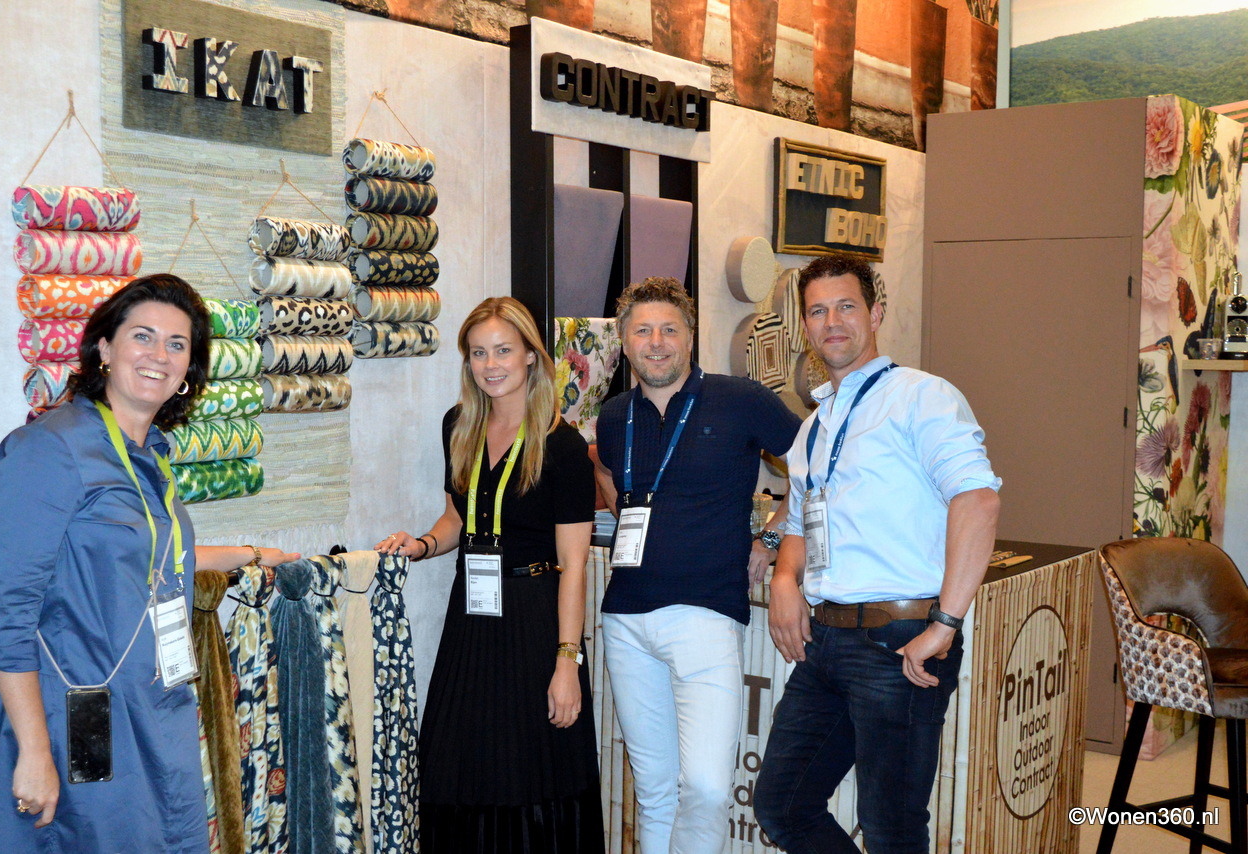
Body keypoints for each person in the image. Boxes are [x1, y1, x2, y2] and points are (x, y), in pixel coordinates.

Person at [0, 274, 299, 852]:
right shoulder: (51, 448)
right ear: (104, 347)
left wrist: (251, 554)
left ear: (189, 369)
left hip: (152, 713)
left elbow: (150, 558)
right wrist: (34, 751)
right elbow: (6, 613)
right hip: (77, 717)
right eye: (142, 336)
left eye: (177, 344)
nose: (159, 356)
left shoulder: (151, 455)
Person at [753, 255, 1002, 854]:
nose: (832, 322)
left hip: (900, 640)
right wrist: (784, 579)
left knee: (891, 828)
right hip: (825, 642)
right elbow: (800, 518)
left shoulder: (921, 396)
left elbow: (978, 500)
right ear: (805, 328)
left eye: (846, 306)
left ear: (876, 314)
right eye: (818, 311)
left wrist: (945, 623)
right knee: (782, 806)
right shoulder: (814, 427)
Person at [376, 296, 602, 852]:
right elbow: (459, 517)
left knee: (530, 774)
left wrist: (567, 663)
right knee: (458, 765)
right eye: (479, 353)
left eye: (503, 350)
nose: (491, 364)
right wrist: (421, 545)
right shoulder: (458, 425)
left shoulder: (562, 445)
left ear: (530, 356)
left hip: (534, 621)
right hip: (471, 617)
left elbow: (574, 565)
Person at [593, 276, 800, 853]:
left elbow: (814, 467)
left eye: (669, 329)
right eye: (643, 331)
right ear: (625, 342)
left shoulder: (740, 399)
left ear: (690, 337)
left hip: (706, 614)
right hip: (625, 618)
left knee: (706, 788)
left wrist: (771, 536)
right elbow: (605, 470)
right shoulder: (614, 415)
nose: (656, 343)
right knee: (655, 791)